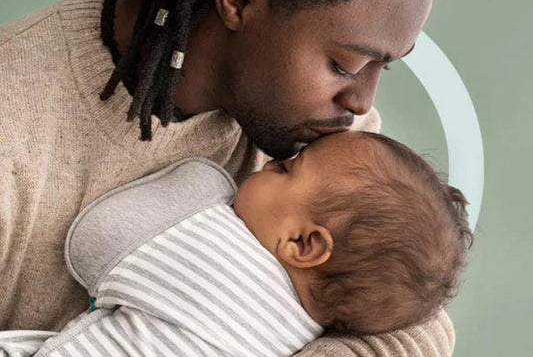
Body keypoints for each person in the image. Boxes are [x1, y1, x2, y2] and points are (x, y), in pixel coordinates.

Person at [0, 0, 460, 354]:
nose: (362, 103)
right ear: (239, 0)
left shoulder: (318, 127)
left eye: (382, 68)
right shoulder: (15, 125)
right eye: (344, 65)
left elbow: (410, 313)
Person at [0, 131, 472, 356]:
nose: (266, 163)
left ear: (303, 243)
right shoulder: (300, 335)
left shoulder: (220, 256)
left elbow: (96, 238)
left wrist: (204, 187)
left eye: (284, 169)